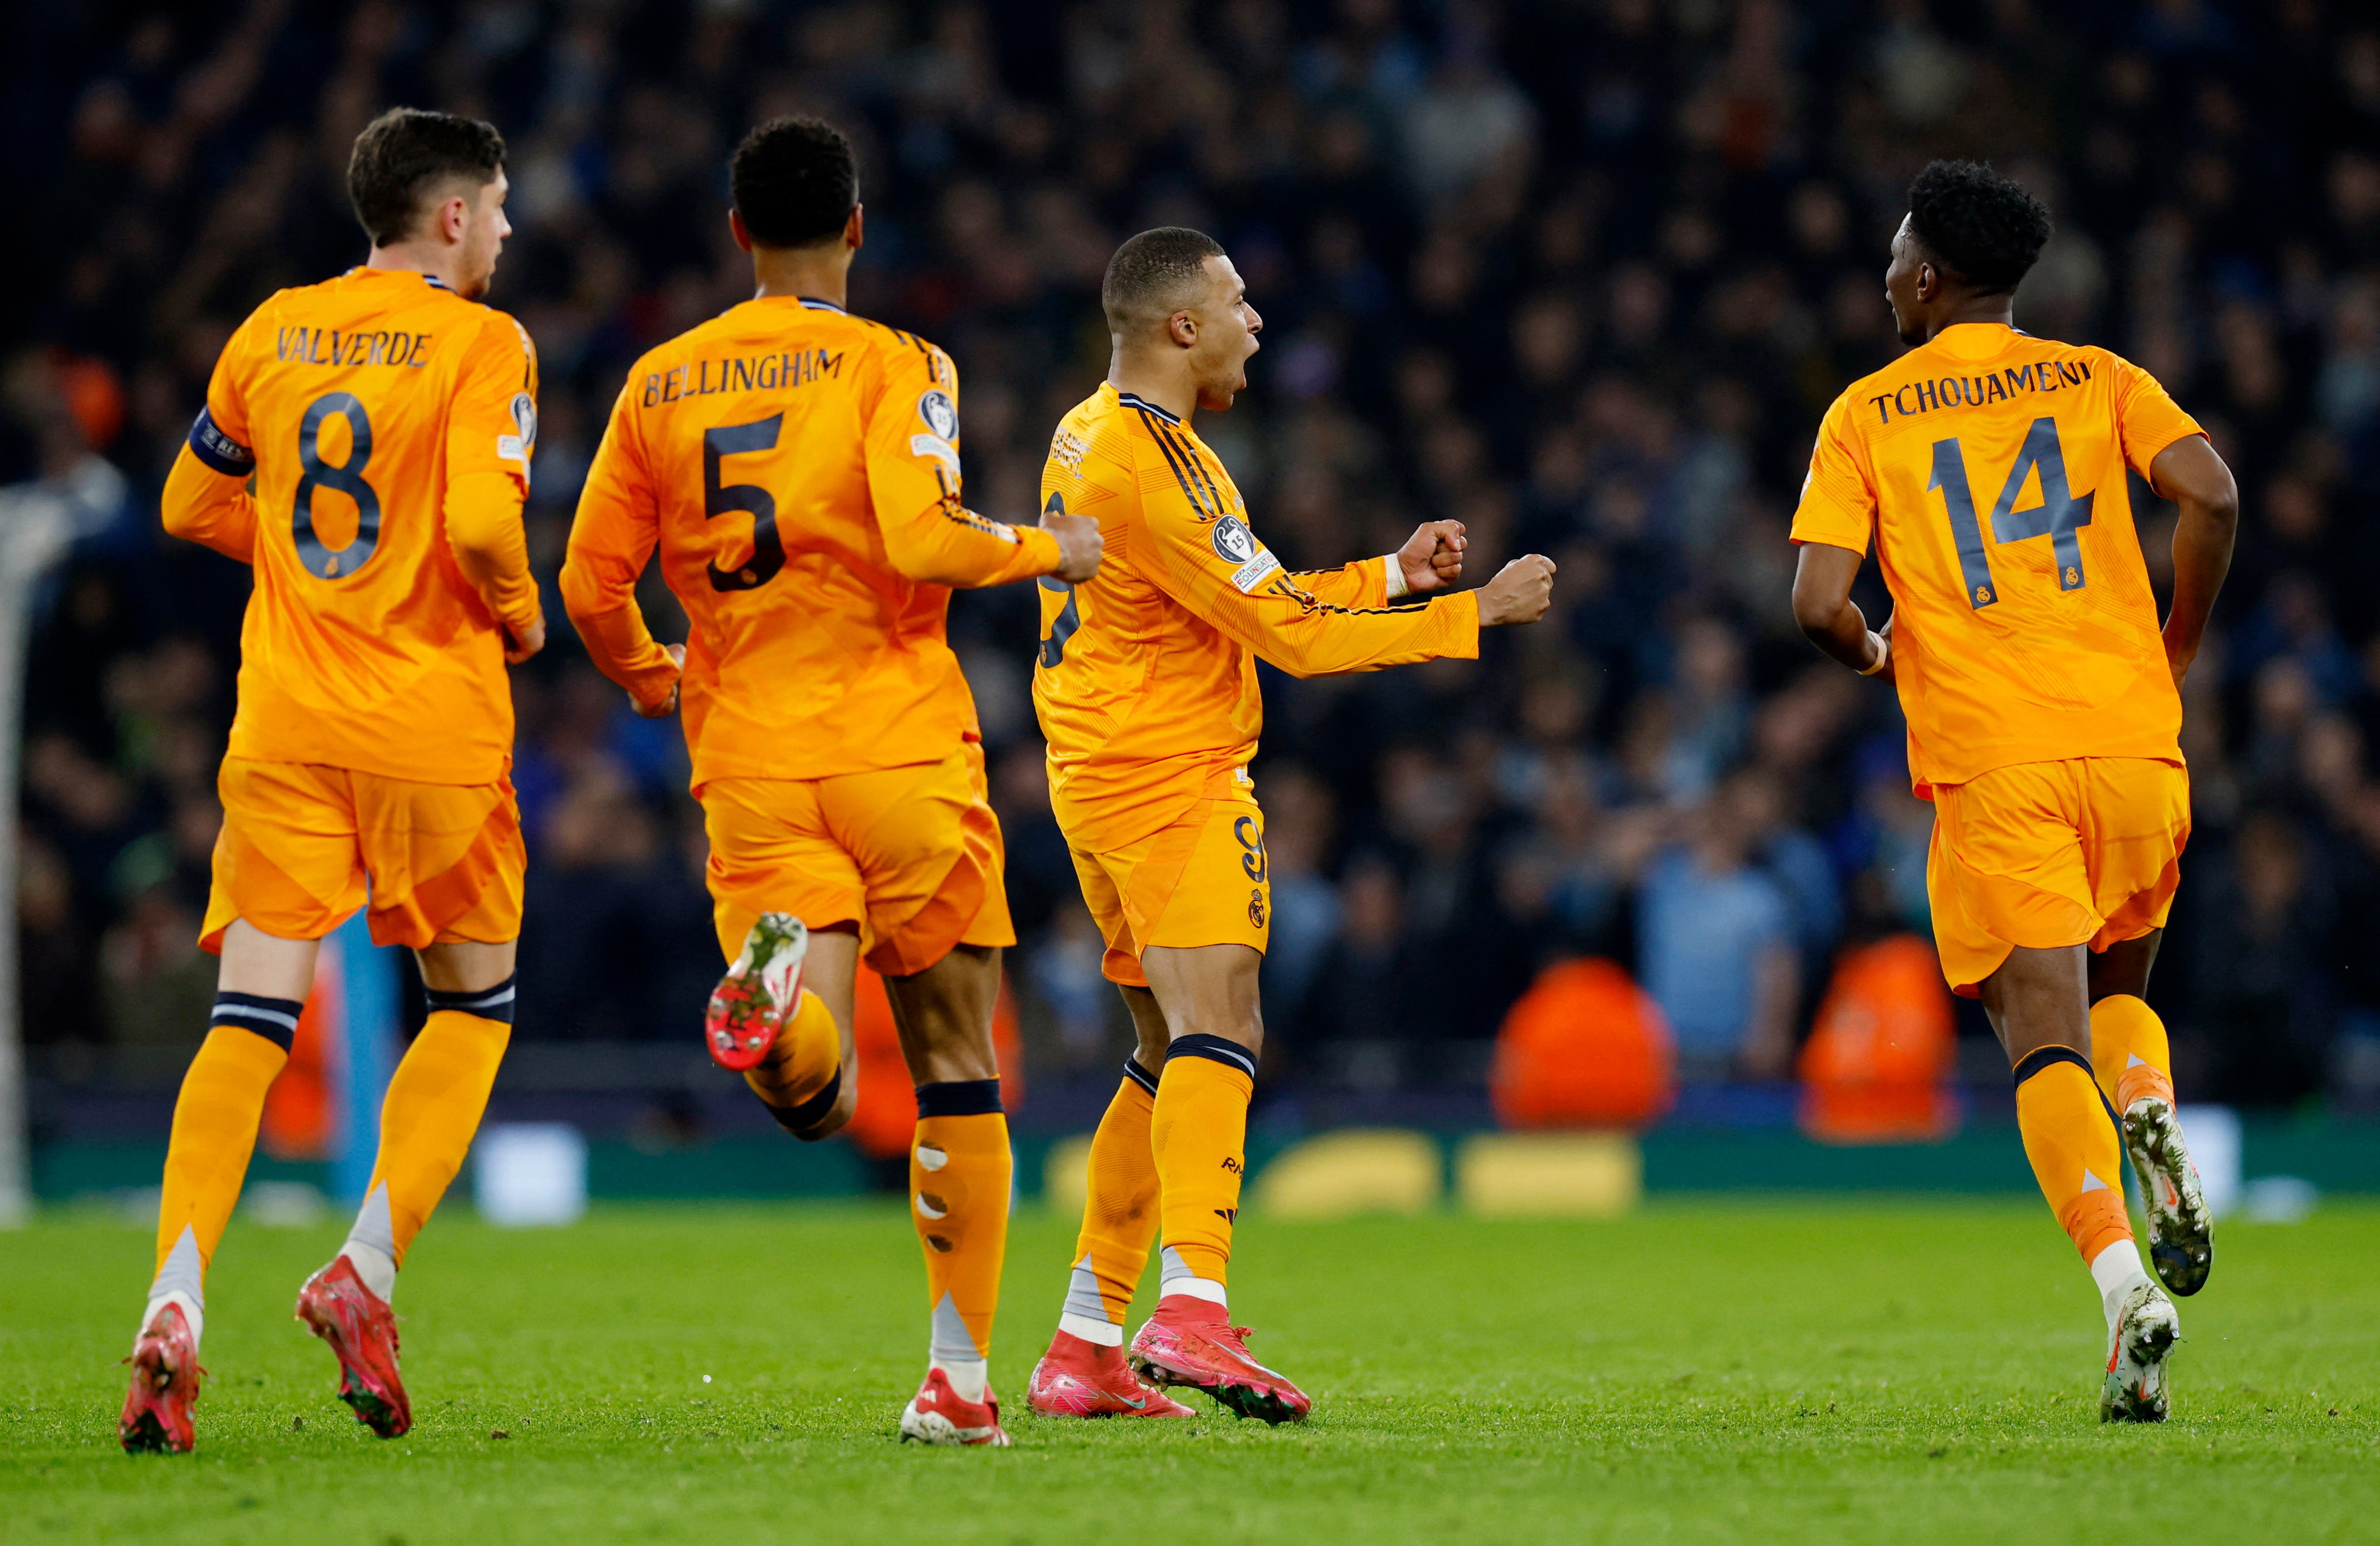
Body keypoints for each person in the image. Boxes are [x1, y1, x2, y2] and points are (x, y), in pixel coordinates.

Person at [559, 117, 1100, 1448]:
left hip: (745, 750)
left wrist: (647, 672)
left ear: (735, 232)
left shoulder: (659, 382)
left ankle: (778, 1004)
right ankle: (956, 1382)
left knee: (816, 1097)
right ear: (855, 228)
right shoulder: (901, 361)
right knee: (956, 1066)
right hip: (897, 741)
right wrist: (1052, 546)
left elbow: (584, 583)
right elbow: (922, 534)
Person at [1022, 227, 1557, 1423]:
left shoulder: (1097, 430)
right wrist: (1473, 613)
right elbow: (1295, 640)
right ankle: (1193, 1312)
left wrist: (1396, 576)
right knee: (1224, 1027)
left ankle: (1086, 1344)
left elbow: (1259, 594)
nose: (1256, 321)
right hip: (1168, 776)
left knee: (1164, 1054)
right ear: (1181, 327)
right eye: (1238, 302)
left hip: (1101, 768)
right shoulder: (1155, 462)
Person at [121, 108, 543, 1453]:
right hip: (431, 724)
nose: (512, 229)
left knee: (249, 1016)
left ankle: (175, 1293)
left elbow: (188, 503)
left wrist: (314, 573)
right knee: (474, 1006)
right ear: (456, 217)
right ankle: (364, 1266)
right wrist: (518, 608)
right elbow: (480, 520)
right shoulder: (486, 343)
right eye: (502, 204)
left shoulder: (274, 329)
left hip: (288, 723)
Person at [1789, 160, 2237, 1422]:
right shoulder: (2100, 376)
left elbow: (1818, 603)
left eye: (1893, 256)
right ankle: (2151, 1108)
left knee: (2039, 1041)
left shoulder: (1866, 415)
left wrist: (1872, 648)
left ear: (1929, 277)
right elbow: (2210, 492)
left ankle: (2119, 1286)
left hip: (1999, 761)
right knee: (2118, 992)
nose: (1884, 276)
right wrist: (2181, 639)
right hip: (2135, 740)